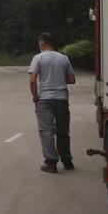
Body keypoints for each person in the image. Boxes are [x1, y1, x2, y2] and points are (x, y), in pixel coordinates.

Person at [29, 32, 75, 173]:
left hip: (45, 100)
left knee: (47, 131)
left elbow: (32, 80)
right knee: (63, 131)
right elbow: (72, 79)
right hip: (61, 99)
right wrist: (59, 79)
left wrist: (35, 97)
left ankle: (51, 163)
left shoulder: (38, 58)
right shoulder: (64, 58)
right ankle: (67, 161)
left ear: (42, 43)